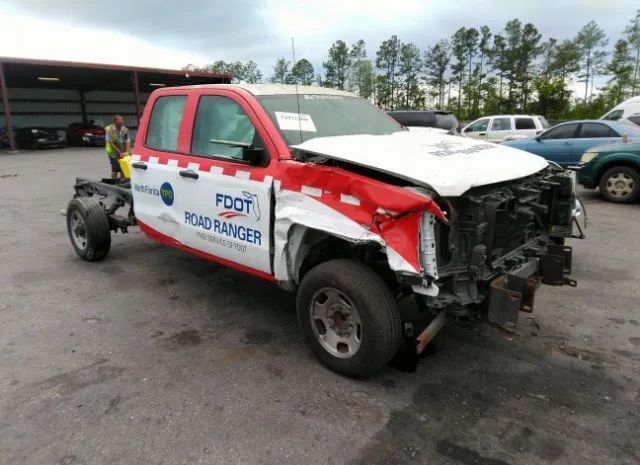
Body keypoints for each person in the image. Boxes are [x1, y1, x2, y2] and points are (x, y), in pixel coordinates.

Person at [104, 115, 131, 179]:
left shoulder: (125, 129)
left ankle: (121, 182)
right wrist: (119, 153)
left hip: (123, 150)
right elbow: (111, 143)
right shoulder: (109, 129)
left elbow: (127, 141)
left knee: (123, 168)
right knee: (115, 169)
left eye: (122, 120)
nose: (122, 121)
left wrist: (126, 152)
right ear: (115, 121)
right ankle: (114, 182)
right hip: (113, 152)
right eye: (120, 120)